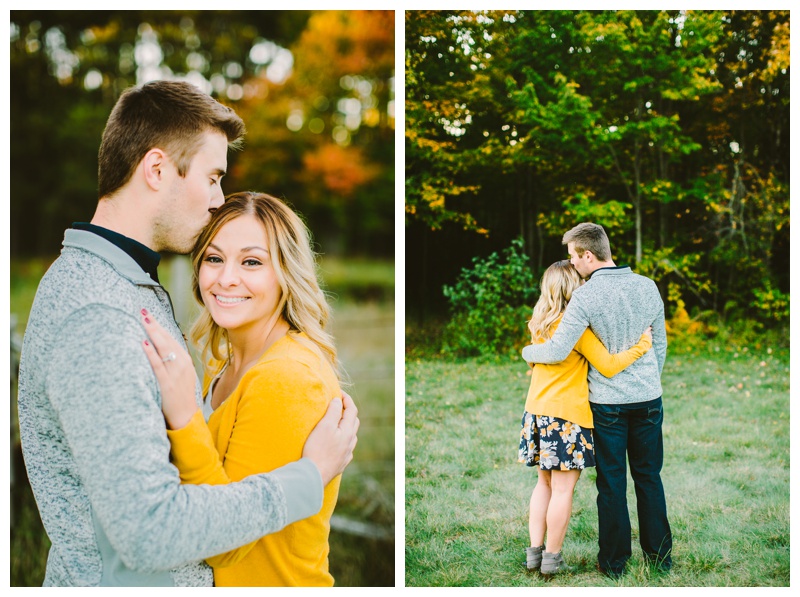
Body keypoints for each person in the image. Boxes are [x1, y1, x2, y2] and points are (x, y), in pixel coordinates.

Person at [16, 80, 358, 587]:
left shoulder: (124, 286)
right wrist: (306, 480)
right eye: (213, 177)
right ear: (157, 169)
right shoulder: (97, 312)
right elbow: (149, 531)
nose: (219, 198)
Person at [140, 192, 343, 586]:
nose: (226, 278)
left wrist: (183, 416)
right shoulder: (223, 360)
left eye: (251, 262)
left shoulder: (287, 377)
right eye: (214, 258)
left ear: (286, 272)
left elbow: (223, 542)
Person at [521, 222, 671, 578]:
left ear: (588, 255)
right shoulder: (648, 287)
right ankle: (660, 557)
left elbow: (558, 349)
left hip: (607, 405)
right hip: (648, 397)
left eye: (574, 258)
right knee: (650, 477)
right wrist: (648, 380)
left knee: (612, 481)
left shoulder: (586, 297)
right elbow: (660, 344)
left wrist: (528, 350)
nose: (573, 265)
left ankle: (615, 564)